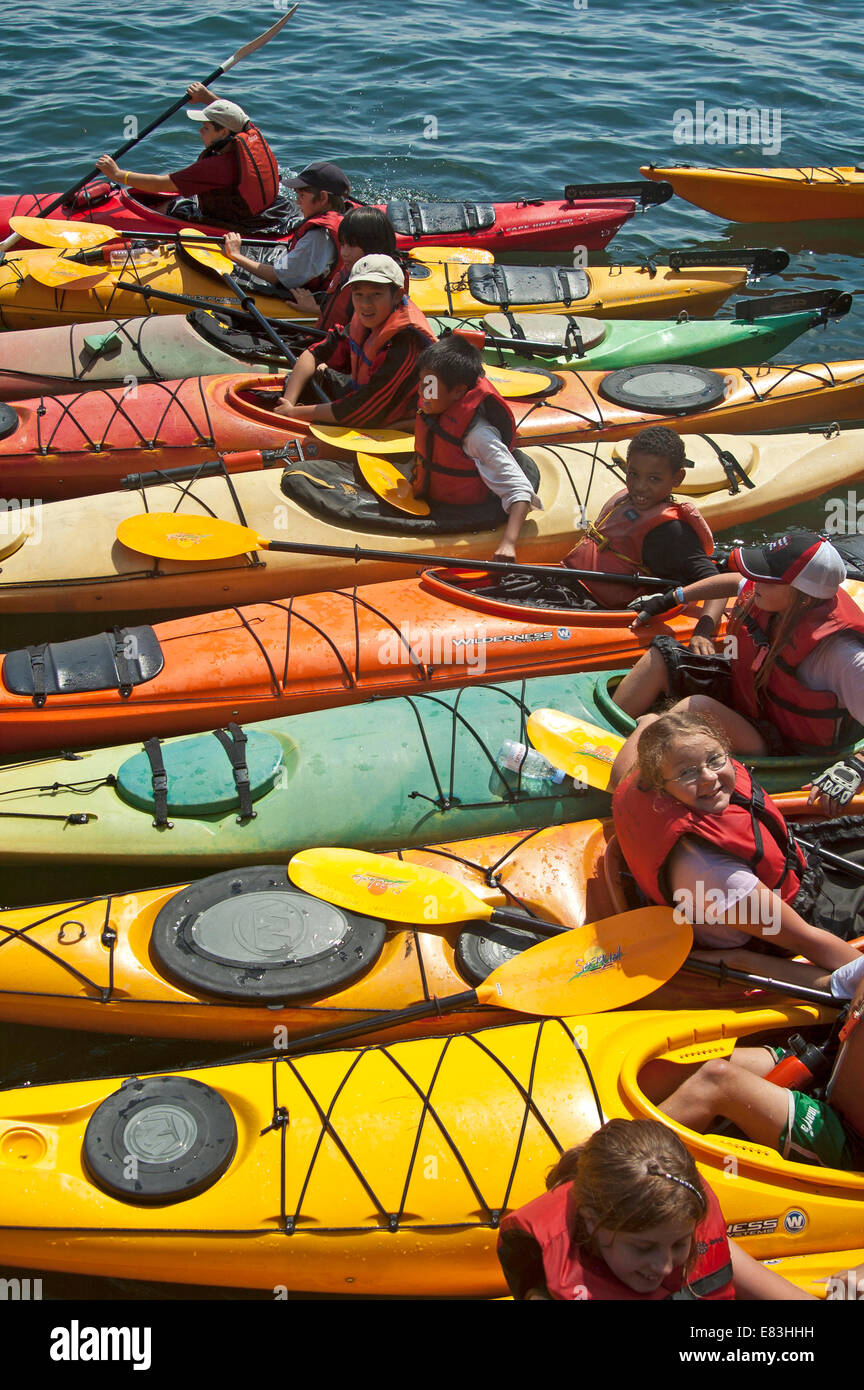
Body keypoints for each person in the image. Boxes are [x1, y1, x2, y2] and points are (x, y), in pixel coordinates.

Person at [614, 533, 864, 816]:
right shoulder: (776, 594)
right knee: (661, 657)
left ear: (803, 597)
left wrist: (857, 765)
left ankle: (628, 781)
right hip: (755, 700)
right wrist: (674, 597)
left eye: (767, 577)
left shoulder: (841, 654)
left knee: (693, 708)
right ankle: (612, 737)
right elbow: (734, 581)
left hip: (787, 743)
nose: (756, 580)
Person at [610, 710, 862, 970]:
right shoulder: (715, 874)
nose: (709, 778)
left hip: (793, 872)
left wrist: (650, 720)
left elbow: (619, 774)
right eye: (687, 773)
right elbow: (810, 942)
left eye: (715, 758)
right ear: (660, 786)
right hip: (791, 921)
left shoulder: (644, 781)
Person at [497, 1117, 814, 1299]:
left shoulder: (681, 1221)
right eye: (643, 1247)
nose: (664, 1265)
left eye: (678, 1244)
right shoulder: (551, 1289)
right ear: (592, 1221)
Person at [647, 954, 864, 1176]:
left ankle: (624, 1171)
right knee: (667, 1066)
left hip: (849, 1143)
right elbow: (831, 985)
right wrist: (734, 960)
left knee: (716, 1081)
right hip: (825, 1071)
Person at [561, 425, 720, 641]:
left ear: (677, 478)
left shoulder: (671, 530)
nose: (639, 487)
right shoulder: (625, 499)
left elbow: (717, 583)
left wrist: (703, 632)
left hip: (601, 608)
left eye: (654, 479)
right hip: (569, 584)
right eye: (633, 474)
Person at [412, 334, 541, 561]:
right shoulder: (438, 403)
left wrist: (509, 544)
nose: (423, 393)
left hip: (463, 511)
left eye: (430, 386)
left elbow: (520, 491)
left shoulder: (477, 436)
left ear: (459, 392)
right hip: (434, 496)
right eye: (422, 384)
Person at [274, 253, 435, 427]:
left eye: (376, 294)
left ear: (397, 295)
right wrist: (287, 403)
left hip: (401, 421)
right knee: (313, 373)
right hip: (368, 401)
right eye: (358, 294)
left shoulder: (406, 343)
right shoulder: (365, 320)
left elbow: (361, 411)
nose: (365, 304)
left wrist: (293, 413)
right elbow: (314, 353)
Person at [95, 85, 280, 231]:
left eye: (206, 128)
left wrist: (118, 175)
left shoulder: (217, 167)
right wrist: (207, 97)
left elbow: (162, 183)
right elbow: (237, 116)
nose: (200, 131)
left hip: (233, 221)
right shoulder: (250, 133)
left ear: (223, 131)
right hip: (258, 212)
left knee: (168, 207)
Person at [222, 160, 349, 296]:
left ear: (323, 197)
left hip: (313, 296)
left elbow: (279, 277)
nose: (297, 201)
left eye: (302, 196)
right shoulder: (340, 218)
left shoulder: (318, 237)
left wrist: (236, 255)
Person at [288, 205, 401, 328]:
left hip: (332, 343)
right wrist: (315, 308)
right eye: (342, 244)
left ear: (374, 245)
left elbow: (356, 329)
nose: (344, 253)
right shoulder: (353, 266)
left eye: (352, 246)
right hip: (325, 339)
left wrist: (313, 308)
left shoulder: (376, 285)